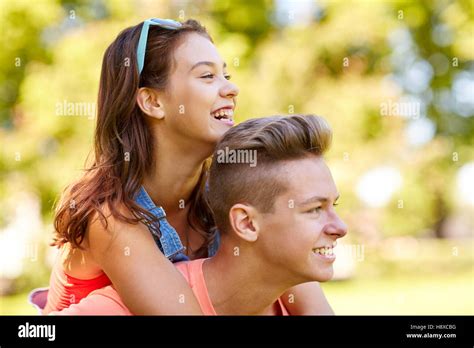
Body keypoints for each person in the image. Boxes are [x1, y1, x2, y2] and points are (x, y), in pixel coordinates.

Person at [49, 114, 347, 315]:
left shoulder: (292, 297)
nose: (340, 227)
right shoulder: (122, 303)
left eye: (334, 206)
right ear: (245, 223)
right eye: (315, 209)